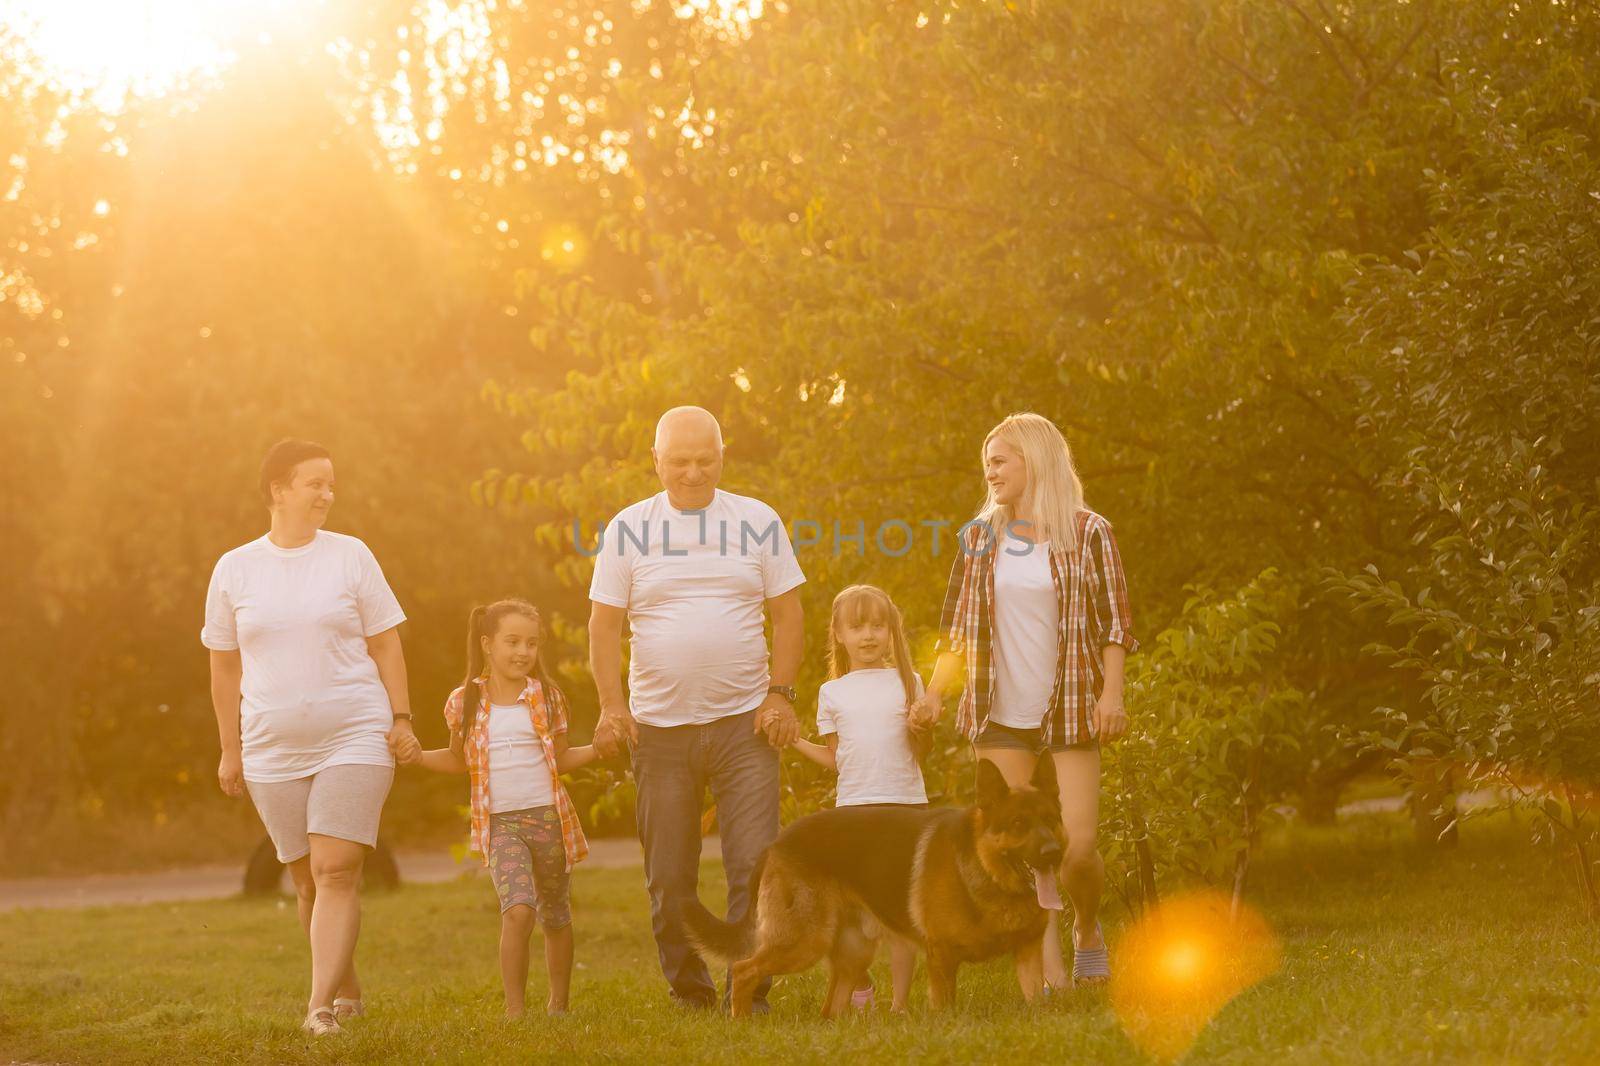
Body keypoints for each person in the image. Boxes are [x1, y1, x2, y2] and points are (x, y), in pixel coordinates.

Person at [587, 405, 805, 1012]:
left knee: (756, 867)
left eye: (704, 459)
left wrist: (780, 693)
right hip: (659, 731)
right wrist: (611, 707)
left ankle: (751, 989)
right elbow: (603, 630)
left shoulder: (757, 520)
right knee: (670, 875)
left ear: (722, 456)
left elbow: (789, 616)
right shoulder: (628, 528)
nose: (691, 472)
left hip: (745, 724)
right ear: (656, 461)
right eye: (678, 461)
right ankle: (691, 991)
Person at [202, 438, 420, 1037]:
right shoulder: (235, 568)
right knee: (306, 881)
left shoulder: (350, 556)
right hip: (271, 745)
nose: (327, 494)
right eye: (314, 483)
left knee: (337, 868)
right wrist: (230, 747)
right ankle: (346, 987)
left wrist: (400, 718)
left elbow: (385, 643)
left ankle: (317, 1007)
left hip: (354, 731)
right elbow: (224, 665)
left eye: (331, 484)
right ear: (278, 489)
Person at [912, 413, 1137, 990]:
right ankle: (1052, 980)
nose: (990, 470)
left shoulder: (1088, 532)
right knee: (1028, 855)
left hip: (1071, 708)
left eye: (1001, 459)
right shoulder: (980, 538)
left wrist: (1112, 694)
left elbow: (1115, 623)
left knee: (1076, 849)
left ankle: (1087, 926)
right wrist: (934, 693)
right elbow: (956, 630)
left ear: (1035, 461)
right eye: (987, 460)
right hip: (999, 712)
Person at [405, 599, 597, 1017]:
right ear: (488, 643)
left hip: (550, 820)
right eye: (512, 642)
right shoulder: (464, 702)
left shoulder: (547, 697)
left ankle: (558, 1005)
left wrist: (599, 749)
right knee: (519, 910)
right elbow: (459, 761)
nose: (523, 652)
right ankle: (515, 1011)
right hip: (502, 825)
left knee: (556, 915)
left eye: (531, 643)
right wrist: (418, 756)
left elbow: (560, 758)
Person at [790, 584, 928, 1012]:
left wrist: (923, 725)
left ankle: (900, 1003)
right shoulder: (833, 693)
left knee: (902, 915)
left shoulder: (911, 682)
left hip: (905, 809)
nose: (868, 636)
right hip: (853, 812)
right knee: (854, 912)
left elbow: (921, 749)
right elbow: (836, 759)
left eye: (878, 625)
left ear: (891, 631)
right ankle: (859, 984)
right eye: (857, 627)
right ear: (838, 633)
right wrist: (794, 742)